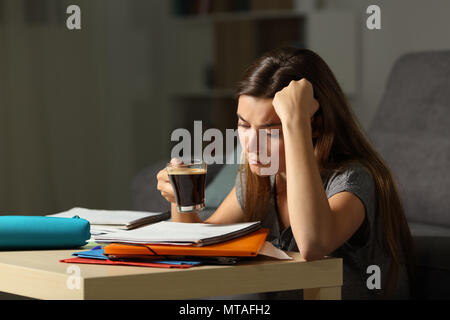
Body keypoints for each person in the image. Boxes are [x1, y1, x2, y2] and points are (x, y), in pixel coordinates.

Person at [156, 47, 414, 300]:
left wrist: (296, 122)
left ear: (313, 126)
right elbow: (200, 243)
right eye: (244, 125)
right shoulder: (261, 180)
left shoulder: (353, 178)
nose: (251, 144)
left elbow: (313, 244)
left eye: (270, 130)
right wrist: (181, 199)